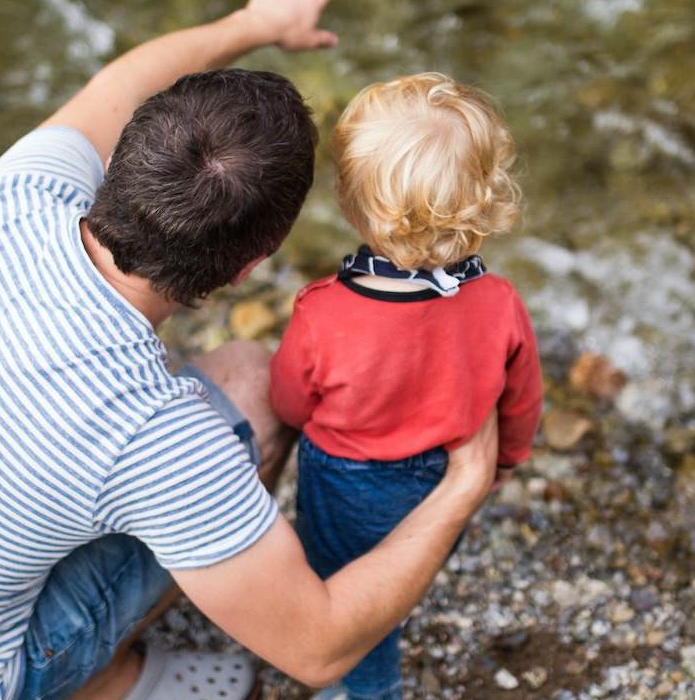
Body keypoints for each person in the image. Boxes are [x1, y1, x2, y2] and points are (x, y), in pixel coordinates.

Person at [0, 1, 505, 698]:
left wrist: (254, 22)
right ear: (247, 269)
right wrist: (460, 490)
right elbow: (318, 648)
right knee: (254, 385)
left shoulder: (16, 196)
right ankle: (105, 683)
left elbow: (117, 81)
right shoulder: (150, 433)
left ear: (122, 155)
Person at [268, 73, 542, 700]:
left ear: (352, 203)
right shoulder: (499, 303)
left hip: (347, 480)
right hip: (445, 476)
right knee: (406, 572)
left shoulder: (323, 311)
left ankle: (369, 688)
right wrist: (504, 464)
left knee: (350, 585)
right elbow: (521, 400)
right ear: (484, 202)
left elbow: (288, 401)